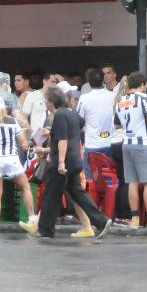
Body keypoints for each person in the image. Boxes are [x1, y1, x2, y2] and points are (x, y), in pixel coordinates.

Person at [30, 87, 112, 240]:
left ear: (52, 101)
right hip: (75, 160)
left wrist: (61, 162)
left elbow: (63, 140)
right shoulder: (72, 114)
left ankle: (45, 230)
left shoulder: (59, 115)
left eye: (46, 100)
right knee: (78, 193)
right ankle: (101, 221)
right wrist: (53, 132)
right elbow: (77, 126)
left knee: (51, 195)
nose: (45, 103)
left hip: (62, 162)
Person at [114, 71, 147, 229]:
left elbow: (117, 124)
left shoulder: (120, 100)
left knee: (132, 182)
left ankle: (135, 219)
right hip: (141, 143)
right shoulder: (142, 98)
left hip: (126, 143)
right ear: (143, 84)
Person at [0, 104, 37, 235]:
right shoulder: (12, 121)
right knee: (25, 187)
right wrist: (27, 144)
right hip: (11, 158)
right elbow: (23, 143)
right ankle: (31, 217)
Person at [78, 68, 119, 167]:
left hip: (92, 144)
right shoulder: (114, 96)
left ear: (89, 82)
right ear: (103, 80)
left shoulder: (84, 98)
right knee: (110, 174)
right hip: (110, 143)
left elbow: (78, 120)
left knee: (91, 175)